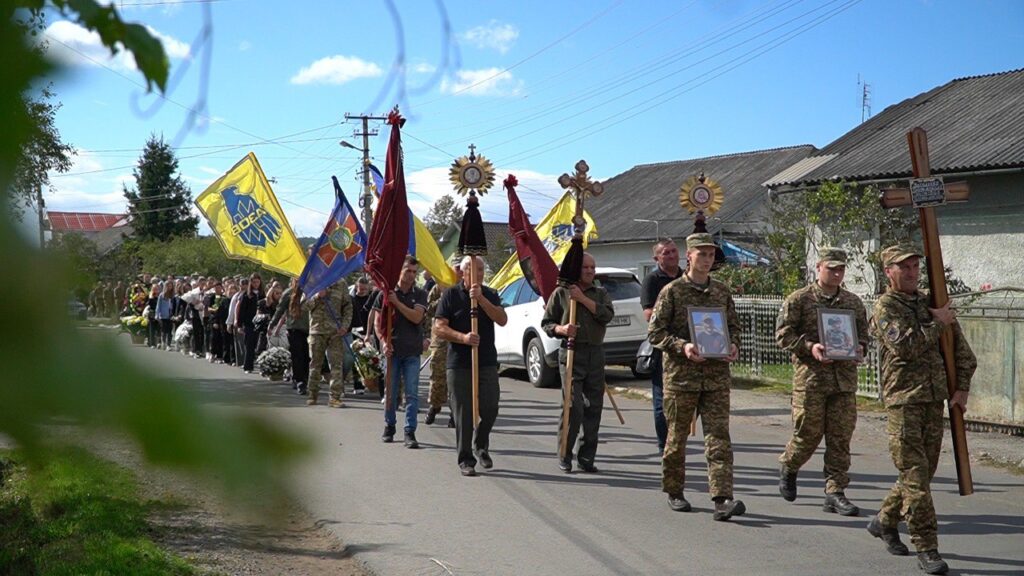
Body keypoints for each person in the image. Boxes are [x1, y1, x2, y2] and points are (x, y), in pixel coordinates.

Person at [867, 245, 976, 575]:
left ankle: (885, 519)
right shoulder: (886, 306)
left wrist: (962, 386)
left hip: (934, 400)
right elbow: (905, 347)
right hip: (904, 402)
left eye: (915, 266)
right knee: (916, 479)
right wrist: (936, 324)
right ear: (889, 271)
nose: (913, 272)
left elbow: (961, 350)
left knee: (921, 475)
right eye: (905, 267)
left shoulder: (931, 301)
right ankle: (927, 547)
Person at [648, 233, 745, 521]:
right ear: (688, 256)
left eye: (711, 255)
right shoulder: (673, 291)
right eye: (701, 254)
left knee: (719, 439)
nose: (707, 259)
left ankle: (722, 498)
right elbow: (655, 333)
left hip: (715, 376)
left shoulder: (721, 292)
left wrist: (733, 345)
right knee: (676, 438)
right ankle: (675, 491)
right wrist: (683, 346)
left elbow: (733, 327)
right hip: (682, 377)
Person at [775, 248, 868, 516]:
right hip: (812, 380)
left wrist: (859, 347)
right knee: (808, 435)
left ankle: (835, 491)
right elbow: (783, 335)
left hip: (844, 381)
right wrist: (809, 346)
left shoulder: (852, 302)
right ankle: (790, 466)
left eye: (841, 270)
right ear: (819, 268)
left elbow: (863, 334)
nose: (837, 274)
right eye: (832, 269)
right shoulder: (800, 300)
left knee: (840, 438)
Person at [434, 255, 508, 477]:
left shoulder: (491, 294)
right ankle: (466, 458)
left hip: (485, 361)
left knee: (490, 407)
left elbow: (502, 319)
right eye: (474, 271)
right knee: (463, 412)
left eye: (482, 271)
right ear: (463, 272)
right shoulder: (450, 295)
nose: (479, 275)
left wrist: (482, 300)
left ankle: (481, 444)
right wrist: (462, 338)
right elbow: (439, 328)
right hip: (459, 363)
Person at [542, 253, 615, 473]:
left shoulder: (600, 293)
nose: (590, 271)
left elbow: (607, 316)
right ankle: (565, 453)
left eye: (593, 267)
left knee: (594, 407)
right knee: (573, 406)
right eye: (585, 267)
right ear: (576, 269)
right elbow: (547, 323)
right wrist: (561, 329)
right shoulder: (561, 293)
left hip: (595, 353)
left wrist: (583, 299)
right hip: (572, 354)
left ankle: (587, 457)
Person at [373, 256, 428, 447]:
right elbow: (377, 323)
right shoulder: (384, 294)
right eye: (408, 271)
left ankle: (409, 431)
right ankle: (389, 426)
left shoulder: (420, 294)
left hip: (412, 350)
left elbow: (416, 317)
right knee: (391, 391)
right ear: (400, 271)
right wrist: (383, 342)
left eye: (414, 272)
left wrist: (397, 303)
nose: (412, 275)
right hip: (392, 351)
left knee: (412, 394)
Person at [641, 238, 682, 453]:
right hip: (663, 347)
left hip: (687, 347)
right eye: (666, 253)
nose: (672, 255)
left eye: (674, 251)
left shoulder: (686, 276)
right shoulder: (652, 280)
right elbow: (648, 314)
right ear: (656, 258)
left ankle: (678, 441)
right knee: (662, 400)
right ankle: (664, 445)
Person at [301, 279, 352, 407]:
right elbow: (303, 306)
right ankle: (312, 395)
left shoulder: (341, 283)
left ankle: (335, 397)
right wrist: (317, 296)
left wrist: (345, 326)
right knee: (315, 364)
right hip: (317, 331)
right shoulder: (313, 282)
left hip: (336, 332)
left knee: (336, 365)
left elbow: (348, 307)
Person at [424, 261, 463, 428]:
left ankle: (455, 413)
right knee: (437, 376)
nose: (459, 272)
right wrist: (443, 297)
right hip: (440, 339)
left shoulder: (468, 288)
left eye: (462, 269)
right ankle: (434, 405)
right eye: (456, 269)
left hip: (460, 338)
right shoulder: (439, 287)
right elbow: (428, 310)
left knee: (457, 379)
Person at [271, 279, 311, 395]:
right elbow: (280, 310)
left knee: (306, 356)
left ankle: (304, 378)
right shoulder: (288, 293)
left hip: (310, 328)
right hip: (294, 328)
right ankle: (300, 381)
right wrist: (272, 324)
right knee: (297, 355)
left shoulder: (311, 291)